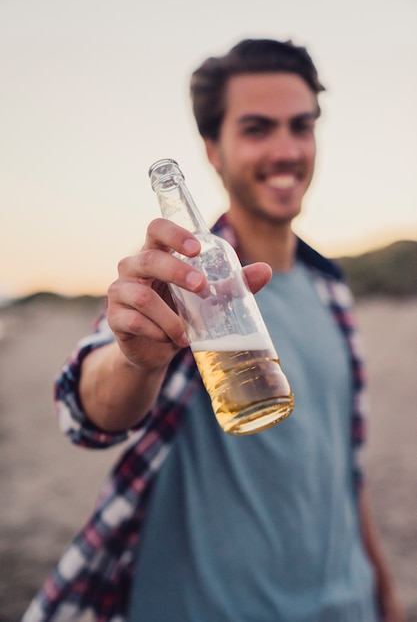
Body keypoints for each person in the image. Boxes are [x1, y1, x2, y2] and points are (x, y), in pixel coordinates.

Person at [23, 38, 404, 622]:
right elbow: (86, 411)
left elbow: (342, 468)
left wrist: (383, 591)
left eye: (301, 126)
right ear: (213, 149)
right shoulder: (185, 279)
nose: (286, 149)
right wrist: (135, 358)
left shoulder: (333, 290)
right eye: (257, 129)